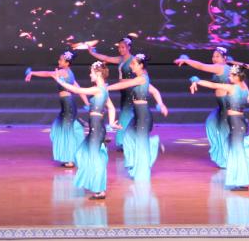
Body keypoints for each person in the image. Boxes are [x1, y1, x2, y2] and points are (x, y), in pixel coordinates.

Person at [189, 64, 249, 190]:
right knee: (235, 150)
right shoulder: (244, 90)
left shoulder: (232, 88)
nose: (229, 76)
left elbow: (213, 85)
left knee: (237, 152)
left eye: (231, 75)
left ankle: (242, 182)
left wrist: (197, 80)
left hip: (237, 124)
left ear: (237, 77)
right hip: (238, 123)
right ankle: (240, 180)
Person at [53, 61, 120, 200]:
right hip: (97, 127)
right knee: (84, 154)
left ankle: (100, 190)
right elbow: (111, 107)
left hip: (97, 129)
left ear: (98, 73)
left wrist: (59, 80)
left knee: (93, 158)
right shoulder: (104, 90)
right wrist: (111, 123)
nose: (90, 74)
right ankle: (98, 187)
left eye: (91, 72)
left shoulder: (99, 89)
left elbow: (77, 90)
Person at [105, 53, 168, 181]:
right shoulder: (141, 79)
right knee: (128, 137)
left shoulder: (142, 78)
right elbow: (155, 91)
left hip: (143, 116)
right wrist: (161, 104)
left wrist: (105, 88)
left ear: (141, 65)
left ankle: (142, 170)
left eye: (134, 63)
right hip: (137, 115)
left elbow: (124, 85)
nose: (131, 65)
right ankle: (146, 151)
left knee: (141, 143)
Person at [26, 50, 88, 167]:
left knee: (65, 131)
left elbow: (48, 73)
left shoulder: (63, 72)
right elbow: (78, 89)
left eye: (61, 60)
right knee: (61, 129)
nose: (59, 61)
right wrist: (86, 102)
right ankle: (72, 155)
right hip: (68, 105)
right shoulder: (69, 73)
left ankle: (70, 159)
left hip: (68, 105)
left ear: (67, 63)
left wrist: (32, 72)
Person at [175, 47, 233, 167]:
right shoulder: (226, 68)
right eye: (213, 56)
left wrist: (187, 61)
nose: (214, 58)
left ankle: (228, 159)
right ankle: (224, 156)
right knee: (212, 124)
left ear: (224, 58)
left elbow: (201, 66)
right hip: (223, 104)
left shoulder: (220, 67)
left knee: (222, 130)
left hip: (226, 104)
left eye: (217, 56)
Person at [86, 37, 135, 149]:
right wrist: (92, 53)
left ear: (129, 47)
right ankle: (126, 141)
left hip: (130, 90)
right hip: (123, 90)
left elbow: (137, 76)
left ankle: (124, 142)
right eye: (119, 47)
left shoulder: (133, 60)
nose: (120, 49)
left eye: (123, 47)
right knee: (125, 113)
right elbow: (106, 58)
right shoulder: (121, 59)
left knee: (126, 114)